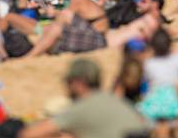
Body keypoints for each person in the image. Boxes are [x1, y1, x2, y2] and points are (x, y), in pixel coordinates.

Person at [19, 59, 147, 138]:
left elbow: (28, 135)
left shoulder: (82, 107)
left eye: (68, 82)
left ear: (78, 83)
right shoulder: (114, 100)